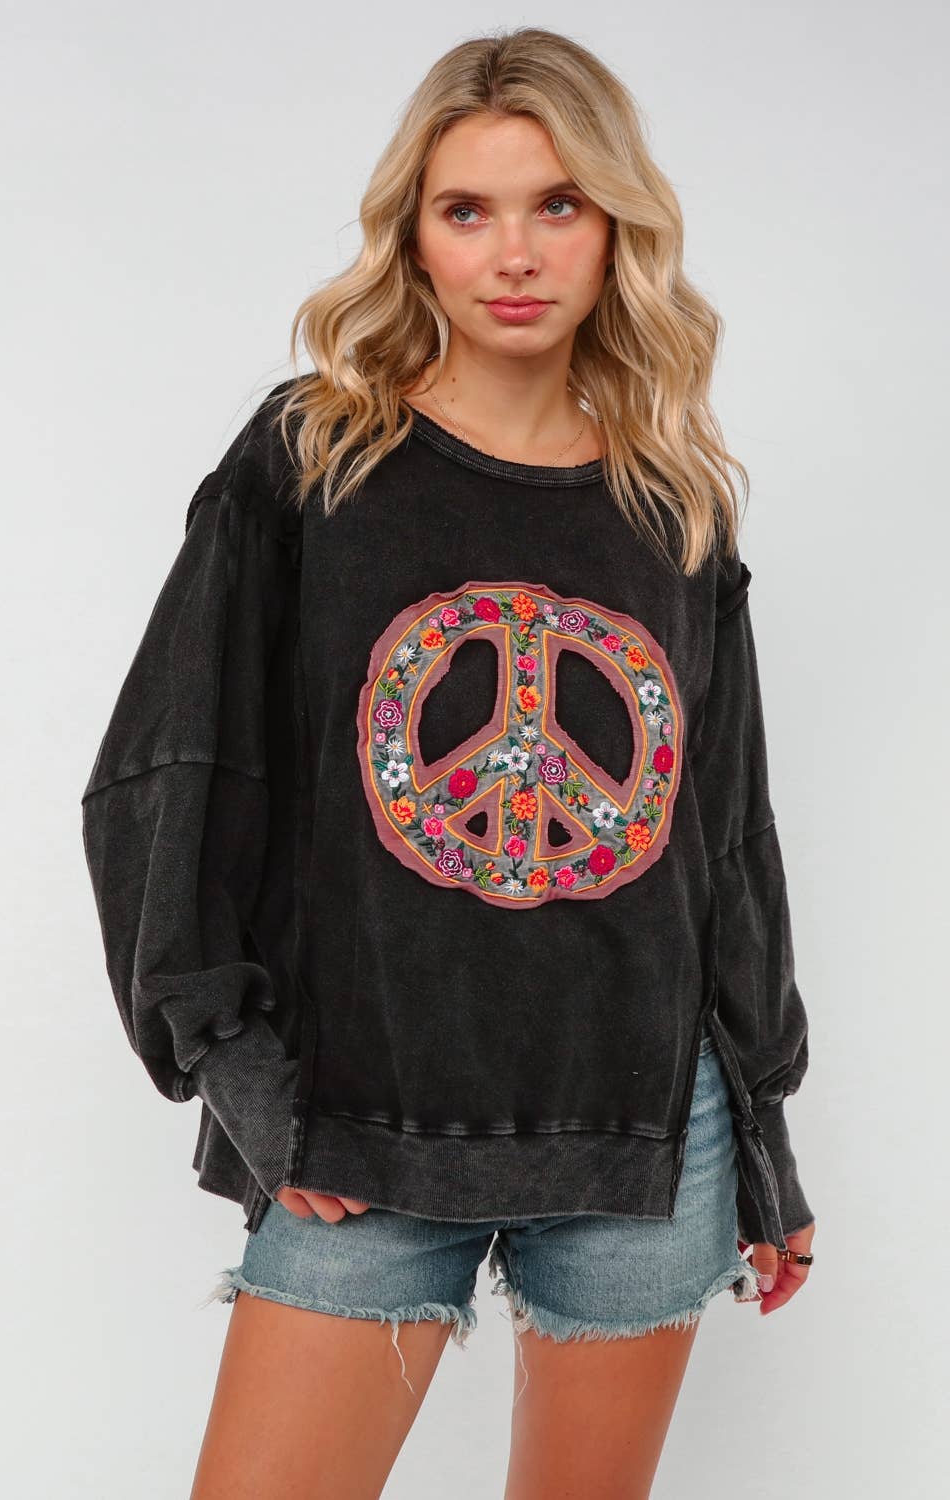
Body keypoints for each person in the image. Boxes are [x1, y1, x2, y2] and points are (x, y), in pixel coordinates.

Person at [81, 26, 816, 1499]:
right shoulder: (317, 460)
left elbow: (724, 836)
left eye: (559, 205)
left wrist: (763, 1137)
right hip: (363, 1132)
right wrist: (242, 1076)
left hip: (641, 1139)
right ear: (412, 237)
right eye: (467, 210)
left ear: (618, 227)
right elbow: (171, 770)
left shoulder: (673, 501)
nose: (515, 255)